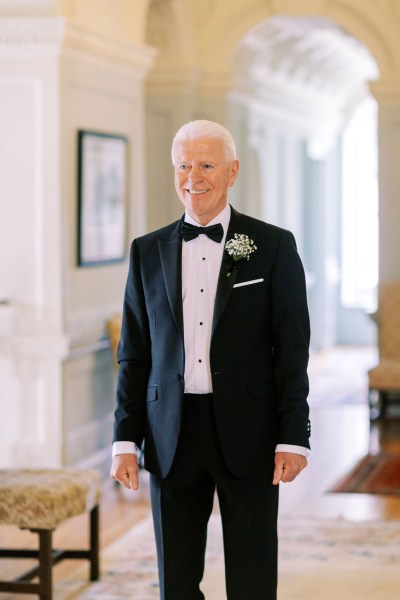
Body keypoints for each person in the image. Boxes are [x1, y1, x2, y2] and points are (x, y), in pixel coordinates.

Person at [110, 119, 311, 600]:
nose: (192, 177)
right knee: (175, 583)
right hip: (169, 433)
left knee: (252, 577)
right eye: (183, 165)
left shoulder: (273, 246)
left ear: (232, 171)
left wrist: (293, 438)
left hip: (251, 430)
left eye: (205, 164)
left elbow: (292, 350)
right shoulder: (145, 252)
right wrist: (123, 439)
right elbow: (134, 354)